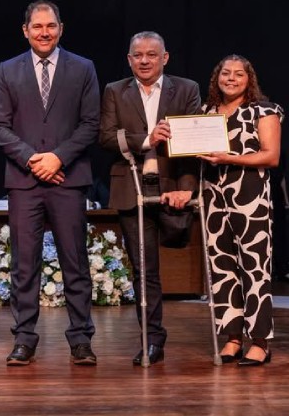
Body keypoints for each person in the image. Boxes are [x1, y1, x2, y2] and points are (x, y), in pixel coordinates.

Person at [0, 0, 100, 366]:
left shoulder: (83, 68)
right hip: (24, 181)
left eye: (50, 26)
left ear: (61, 28)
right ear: (26, 31)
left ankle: (81, 339)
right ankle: (24, 338)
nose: (44, 32)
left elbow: (90, 124)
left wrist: (58, 157)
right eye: (37, 27)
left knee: (75, 261)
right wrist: (33, 160)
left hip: (68, 179)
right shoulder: (8, 70)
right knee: (24, 264)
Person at [162, 54, 282, 366]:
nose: (231, 78)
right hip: (213, 197)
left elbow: (271, 157)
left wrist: (229, 158)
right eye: (225, 73)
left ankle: (260, 342)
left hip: (251, 198)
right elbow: (189, 152)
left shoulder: (263, 110)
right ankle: (232, 339)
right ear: (217, 78)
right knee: (222, 268)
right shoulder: (205, 112)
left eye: (238, 74)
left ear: (249, 79)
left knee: (255, 268)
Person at [98, 31, 200, 365]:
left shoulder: (186, 89)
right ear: (129, 59)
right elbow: (107, 137)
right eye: (138, 55)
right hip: (132, 189)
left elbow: (193, 142)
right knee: (144, 270)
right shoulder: (115, 90)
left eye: (151, 55)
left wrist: (187, 187)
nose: (144, 60)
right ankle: (152, 339)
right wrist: (146, 139)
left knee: (175, 253)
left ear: (165, 58)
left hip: (173, 187)